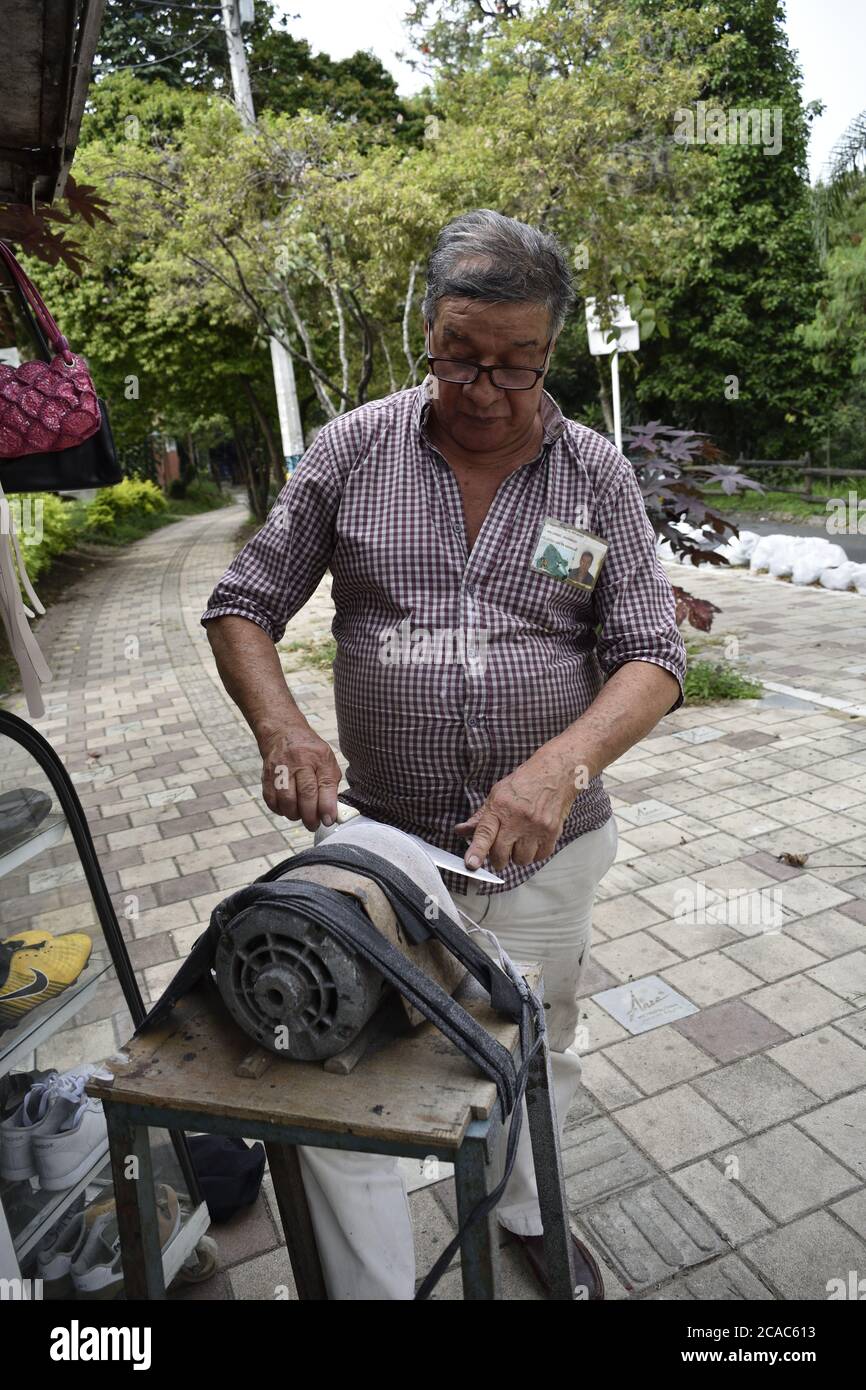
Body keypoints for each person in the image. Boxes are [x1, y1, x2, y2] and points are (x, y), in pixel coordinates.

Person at [201, 208, 686, 1300]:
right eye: (459, 358)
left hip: (545, 853)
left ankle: (526, 1211)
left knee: (530, 1045)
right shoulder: (350, 449)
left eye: (515, 366)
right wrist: (282, 729)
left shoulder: (594, 473)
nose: (485, 389)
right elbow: (244, 604)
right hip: (378, 843)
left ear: (548, 352)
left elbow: (651, 653)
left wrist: (558, 768)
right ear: (426, 332)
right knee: (333, 1062)